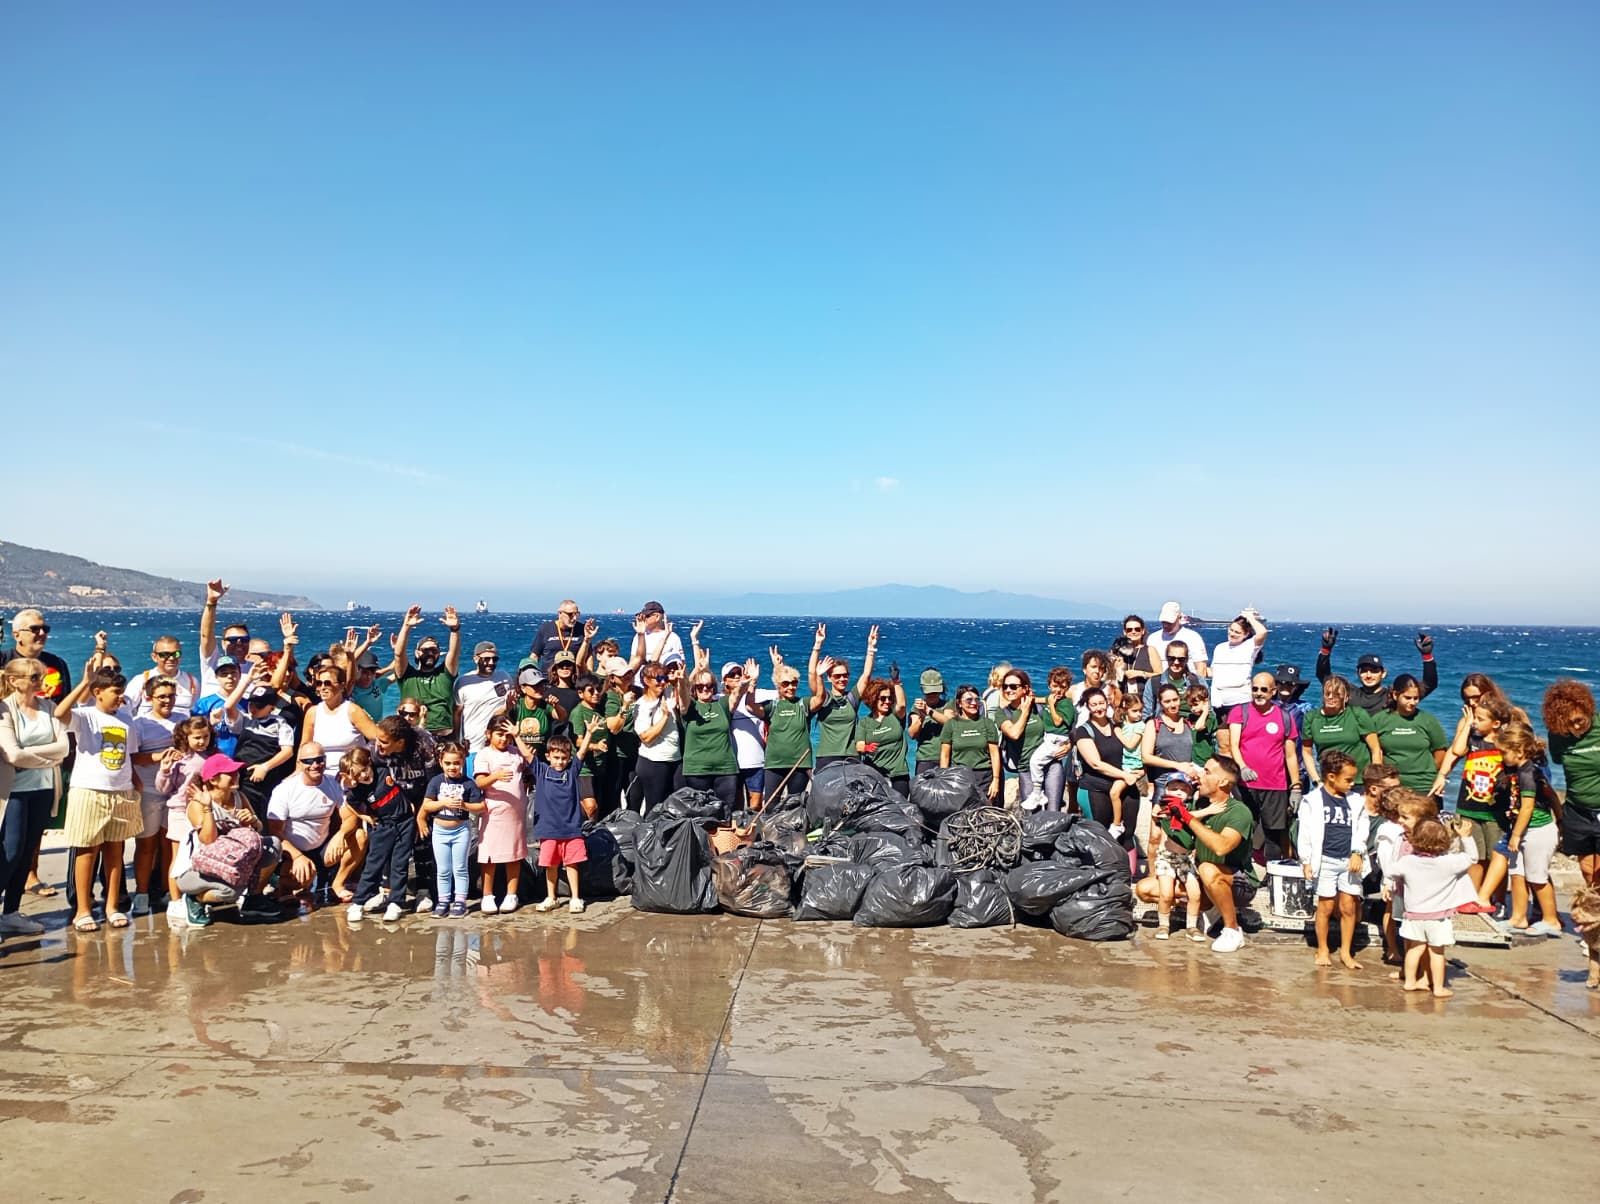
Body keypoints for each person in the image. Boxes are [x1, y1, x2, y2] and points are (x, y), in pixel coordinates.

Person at [54, 664, 143, 932]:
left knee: (115, 851)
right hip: (89, 790)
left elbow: (129, 756)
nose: (120, 697)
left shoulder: (126, 719)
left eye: (122, 692)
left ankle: (112, 906)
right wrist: (84, 682)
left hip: (121, 791)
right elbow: (59, 713)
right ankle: (83, 909)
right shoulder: (86, 716)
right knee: (87, 850)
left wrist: (134, 783)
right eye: (115, 692)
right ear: (98, 692)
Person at [1472, 722, 1563, 935]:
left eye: (1504, 752)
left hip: (1537, 831)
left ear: (1519, 751)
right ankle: (1518, 918)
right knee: (1517, 874)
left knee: (1537, 877)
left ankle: (1551, 920)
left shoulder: (1529, 773)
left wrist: (1515, 835)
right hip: (1522, 832)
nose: (1501, 757)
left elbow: (1528, 807)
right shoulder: (1518, 770)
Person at [0, 658, 70, 934]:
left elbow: (63, 747)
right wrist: (48, 759)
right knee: (10, 851)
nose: (40, 682)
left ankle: (11, 912)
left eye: (41, 676)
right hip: (14, 791)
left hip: (43, 789)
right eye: (33, 677)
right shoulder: (5, 710)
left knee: (27, 851)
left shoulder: (48, 707)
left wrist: (32, 757)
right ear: (14, 680)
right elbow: (12, 755)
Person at [171, 753, 278, 928]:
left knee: (272, 845)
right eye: (230, 773)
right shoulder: (198, 804)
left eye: (236, 771)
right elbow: (208, 840)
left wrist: (252, 821)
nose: (236, 775)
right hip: (196, 871)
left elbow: (258, 831)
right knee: (230, 892)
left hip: (228, 865)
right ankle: (195, 899)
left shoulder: (239, 797)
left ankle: (254, 899)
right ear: (213, 780)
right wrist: (208, 808)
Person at [345, 716, 432, 923]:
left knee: (403, 861)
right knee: (374, 862)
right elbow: (352, 796)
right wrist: (365, 814)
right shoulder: (374, 759)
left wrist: (419, 812)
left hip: (410, 814)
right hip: (384, 822)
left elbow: (431, 781)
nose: (378, 745)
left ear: (399, 742)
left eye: (383, 741)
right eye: (377, 739)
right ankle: (361, 900)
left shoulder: (423, 744)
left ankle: (401, 900)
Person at [1430, 694, 1513, 888]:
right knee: (1474, 856)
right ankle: (1473, 894)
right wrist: (1467, 724)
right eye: (1475, 717)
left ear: (1496, 723)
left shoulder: (1503, 744)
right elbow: (1458, 750)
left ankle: (1497, 897)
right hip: (1469, 807)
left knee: (1497, 856)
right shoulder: (1474, 738)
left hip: (1494, 810)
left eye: (1480, 719)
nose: (1475, 721)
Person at [1297, 750, 1367, 970]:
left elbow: (1362, 829)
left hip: (1348, 861)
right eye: (1348, 779)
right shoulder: (1312, 800)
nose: (1352, 784)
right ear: (1331, 777)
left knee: (1348, 907)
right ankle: (1323, 948)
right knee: (1326, 906)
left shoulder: (1355, 801)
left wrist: (1357, 852)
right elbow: (1305, 833)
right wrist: (1306, 861)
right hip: (1325, 860)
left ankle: (1346, 951)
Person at [1391, 816, 1475, 998]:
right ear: (1444, 841)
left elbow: (1392, 871)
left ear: (1415, 840)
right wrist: (1466, 837)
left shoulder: (1408, 862)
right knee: (1437, 952)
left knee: (1414, 949)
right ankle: (1438, 988)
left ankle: (1410, 982)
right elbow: (1472, 858)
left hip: (1413, 915)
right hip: (1438, 918)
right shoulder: (1449, 863)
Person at [1181, 755, 1254, 953]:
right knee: (1148, 889)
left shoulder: (1239, 811)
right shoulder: (1199, 805)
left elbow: (1222, 847)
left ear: (1222, 782)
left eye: (1206, 771)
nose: (1199, 775)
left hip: (1238, 882)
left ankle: (1232, 930)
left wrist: (1189, 819)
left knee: (1207, 869)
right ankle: (1213, 907)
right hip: (1202, 878)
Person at [1226, 671, 1300, 862]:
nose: (1259, 693)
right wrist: (1243, 767)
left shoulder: (1284, 717)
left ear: (1273, 691)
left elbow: (1291, 755)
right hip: (1244, 784)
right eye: (1255, 689)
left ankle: (1272, 871)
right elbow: (1233, 745)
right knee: (1242, 828)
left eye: (1264, 689)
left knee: (1273, 834)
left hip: (1275, 785)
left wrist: (1296, 786)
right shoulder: (1239, 712)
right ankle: (1240, 869)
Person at [532, 720, 603, 914]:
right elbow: (527, 756)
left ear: (569, 758)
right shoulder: (541, 770)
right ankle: (551, 897)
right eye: (556, 757)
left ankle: (575, 898)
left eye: (564, 758)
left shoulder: (572, 771)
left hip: (571, 830)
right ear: (548, 756)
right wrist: (515, 735)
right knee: (550, 865)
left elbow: (582, 753)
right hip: (548, 830)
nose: (560, 761)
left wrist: (589, 733)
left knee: (572, 864)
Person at [266, 741, 344, 913]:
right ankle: (284, 886)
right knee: (299, 876)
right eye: (308, 761)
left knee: (359, 836)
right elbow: (275, 832)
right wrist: (297, 856)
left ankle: (339, 883)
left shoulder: (334, 783)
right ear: (299, 763)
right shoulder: (284, 790)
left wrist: (341, 834)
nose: (315, 765)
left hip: (323, 846)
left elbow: (349, 817)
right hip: (293, 851)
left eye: (319, 760)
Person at [1543, 679, 1600, 890]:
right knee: (1587, 869)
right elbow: (1557, 759)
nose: (1576, 727)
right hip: (1578, 809)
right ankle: (1594, 906)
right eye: (1569, 724)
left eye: (1579, 720)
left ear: (1587, 709)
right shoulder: (1558, 735)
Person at [419, 742, 486, 918]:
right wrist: (443, 803)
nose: (452, 767)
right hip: (440, 831)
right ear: (441, 763)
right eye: (448, 763)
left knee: (460, 868)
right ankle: (443, 901)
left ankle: (460, 901)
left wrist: (464, 805)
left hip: (461, 830)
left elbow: (481, 806)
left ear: (463, 762)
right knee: (443, 869)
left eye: (456, 763)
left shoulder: (468, 783)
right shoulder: (436, 781)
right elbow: (427, 805)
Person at [1138, 773, 1205, 941]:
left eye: (1183, 789)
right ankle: (1163, 925)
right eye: (1174, 789)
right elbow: (1165, 815)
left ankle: (1192, 926)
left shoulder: (1192, 808)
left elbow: (1191, 812)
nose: (1179, 792)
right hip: (1166, 858)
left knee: (1195, 894)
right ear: (1166, 791)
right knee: (1166, 894)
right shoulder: (1164, 807)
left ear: (1190, 793)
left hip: (1185, 859)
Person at [473, 717, 531, 913]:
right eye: (499, 735)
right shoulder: (484, 754)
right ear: (488, 734)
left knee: (514, 854)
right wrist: (496, 776)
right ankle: (487, 894)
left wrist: (517, 736)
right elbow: (480, 782)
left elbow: (529, 759)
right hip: (494, 813)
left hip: (516, 814)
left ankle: (511, 894)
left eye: (507, 736)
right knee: (489, 855)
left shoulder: (515, 752)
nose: (504, 739)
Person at [677, 646, 743, 814]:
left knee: (726, 812)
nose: (705, 689)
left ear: (714, 688)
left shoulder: (722, 704)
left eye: (709, 686)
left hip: (725, 769)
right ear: (694, 689)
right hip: (697, 770)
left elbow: (738, 694)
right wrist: (682, 681)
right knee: (700, 814)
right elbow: (683, 698)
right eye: (700, 687)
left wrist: (749, 680)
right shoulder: (691, 707)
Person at [1315, 628, 1439, 714]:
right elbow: (1324, 676)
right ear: (1358, 673)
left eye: (1374, 671)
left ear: (1383, 673)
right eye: (1364, 671)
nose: (1368, 675)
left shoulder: (1392, 696)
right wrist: (1326, 649)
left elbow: (1429, 684)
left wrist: (1427, 656)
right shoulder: (1350, 693)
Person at [1073, 688, 1141, 842]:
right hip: (1096, 789)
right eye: (1094, 705)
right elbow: (1095, 764)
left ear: (1107, 702)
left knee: (1128, 835)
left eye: (1101, 703)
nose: (1099, 708)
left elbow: (1135, 749)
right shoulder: (1083, 731)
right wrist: (1125, 775)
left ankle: (1128, 859)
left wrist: (1139, 769)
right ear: (1088, 707)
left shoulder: (1118, 725)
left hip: (1125, 786)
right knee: (1100, 837)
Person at [749, 654, 815, 806]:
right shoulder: (772, 706)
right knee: (771, 805)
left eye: (794, 683)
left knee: (795, 806)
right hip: (774, 764)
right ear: (778, 685)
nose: (791, 687)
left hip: (800, 764)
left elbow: (820, 697)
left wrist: (815, 670)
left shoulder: (803, 704)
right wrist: (753, 682)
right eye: (786, 684)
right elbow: (750, 706)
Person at [809, 623, 877, 770]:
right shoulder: (823, 698)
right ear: (829, 678)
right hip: (826, 757)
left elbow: (866, 676)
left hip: (851, 757)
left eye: (845, 675)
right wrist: (817, 645)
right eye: (837, 676)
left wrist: (871, 648)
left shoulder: (852, 698)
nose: (842, 679)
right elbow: (812, 675)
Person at [391, 605, 463, 737]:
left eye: (434, 650)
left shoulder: (444, 674)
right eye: (425, 650)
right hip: (412, 734)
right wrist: (406, 626)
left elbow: (454, 653)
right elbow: (399, 654)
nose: (430, 653)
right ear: (417, 653)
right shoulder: (407, 676)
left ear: (439, 654)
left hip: (443, 736)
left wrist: (455, 630)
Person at [1372, 675, 1448, 793]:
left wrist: (1430, 774)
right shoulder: (1380, 719)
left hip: (1424, 785)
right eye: (1407, 698)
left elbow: (1440, 752)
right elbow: (1375, 751)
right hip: (1392, 786)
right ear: (1395, 695)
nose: (1412, 702)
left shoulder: (1428, 720)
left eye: (1415, 698)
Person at [1301, 675, 1382, 784]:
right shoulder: (1311, 717)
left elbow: (1376, 749)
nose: (1331, 697)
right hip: (1330, 782)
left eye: (1336, 694)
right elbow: (1307, 752)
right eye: (1327, 693)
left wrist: (1374, 779)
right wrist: (1316, 779)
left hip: (1358, 782)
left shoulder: (1357, 714)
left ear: (1346, 697)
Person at [302, 664, 380, 774]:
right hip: (321, 774)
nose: (322, 687)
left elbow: (378, 738)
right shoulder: (312, 713)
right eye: (319, 683)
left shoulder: (353, 711)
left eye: (327, 683)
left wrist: (362, 757)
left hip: (351, 774)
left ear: (342, 686)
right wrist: (299, 772)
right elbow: (304, 747)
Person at [631, 660, 683, 812]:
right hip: (653, 762)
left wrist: (679, 680)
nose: (663, 682)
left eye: (664, 678)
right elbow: (646, 738)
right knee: (655, 808)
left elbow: (683, 693)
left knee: (677, 806)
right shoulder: (641, 705)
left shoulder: (668, 693)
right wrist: (665, 716)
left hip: (675, 760)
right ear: (646, 681)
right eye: (658, 679)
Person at [1023, 668, 1077, 813]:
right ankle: (1041, 792)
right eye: (1055, 686)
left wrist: (1052, 706)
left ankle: (1037, 792)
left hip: (1057, 739)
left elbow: (1058, 722)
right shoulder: (1051, 698)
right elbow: (1040, 700)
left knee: (1035, 761)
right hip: (1049, 738)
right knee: (1040, 762)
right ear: (1049, 686)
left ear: (1067, 687)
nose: (1058, 690)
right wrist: (1029, 696)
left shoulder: (1066, 704)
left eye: (1062, 687)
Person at [939, 685, 1002, 801]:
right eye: (969, 700)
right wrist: (944, 780)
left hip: (984, 776)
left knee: (984, 810)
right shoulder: (951, 724)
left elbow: (994, 754)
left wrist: (996, 780)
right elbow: (945, 755)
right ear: (959, 703)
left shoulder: (987, 723)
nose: (973, 703)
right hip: (958, 777)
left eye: (977, 699)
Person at [996, 669, 1048, 804]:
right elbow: (1014, 734)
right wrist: (1025, 711)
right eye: (1005, 686)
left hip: (1048, 766)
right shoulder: (1003, 713)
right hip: (1025, 768)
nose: (1008, 690)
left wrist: (1067, 745)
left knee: (1053, 809)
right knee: (1031, 810)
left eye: (1013, 686)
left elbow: (1059, 728)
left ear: (1025, 688)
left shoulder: (1039, 709)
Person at [855, 675, 910, 796]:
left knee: (901, 805)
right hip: (874, 774)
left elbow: (901, 705)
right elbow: (859, 745)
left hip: (898, 773)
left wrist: (896, 683)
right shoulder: (865, 722)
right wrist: (867, 748)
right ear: (873, 699)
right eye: (883, 698)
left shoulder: (895, 716)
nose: (887, 701)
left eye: (890, 698)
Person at [453, 641, 512, 752]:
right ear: (476, 659)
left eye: (494, 659)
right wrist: (457, 740)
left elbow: (509, 708)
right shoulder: (463, 682)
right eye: (486, 659)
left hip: (500, 744)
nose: (491, 663)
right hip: (473, 745)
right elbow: (457, 713)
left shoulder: (504, 677)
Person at [125, 634, 201, 716]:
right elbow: (124, 709)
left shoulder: (192, 682)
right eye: (165, 654)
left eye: (176, 654)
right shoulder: (140, 681)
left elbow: (198, 712)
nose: (171, 658)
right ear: (154, 657)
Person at [1209, 609, 1268, 711]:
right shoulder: (1220, 648)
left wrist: (1250, 617)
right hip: (1218, 703)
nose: (1232, 634)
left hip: (1241, 702)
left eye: (1237, 632)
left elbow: (1262, 632)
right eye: (1231, 630)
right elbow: (1214, 673)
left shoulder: (1249, 647)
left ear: (1246, 634)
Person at [1140, 683, 1197, 784]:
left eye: (1175, 700)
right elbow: (1146, 757)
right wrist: (1177, 765)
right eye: (1167, 701)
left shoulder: (1188, 722)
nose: (1173, 705)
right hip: (1164, 783)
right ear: (1160, 703)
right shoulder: (1153, 724)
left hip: (1189, 782)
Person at [1108, 693, 1149, 833]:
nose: (1139, 714)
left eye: (1140, 711)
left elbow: (1130, 745)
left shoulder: (1140, 726)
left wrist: (1117, 732)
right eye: (1135, 711)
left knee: (1114, 792)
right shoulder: (1123, 724)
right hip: (1121, 764)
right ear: (1125, 708)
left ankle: (1117, 824)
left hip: (1131, 766)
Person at [908, 668, 953, 778]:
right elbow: (912, 734)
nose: (932, 695)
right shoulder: (916, 708)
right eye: (929, 692)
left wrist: (929, 710)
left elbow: (950, 723)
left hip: (947, 756)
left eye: (935, 692)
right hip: (925, 757)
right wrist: (922, 717)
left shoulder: (948, 704)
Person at [1146, 601, 1209, 678]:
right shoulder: (1153, 639)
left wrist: (1197, 684)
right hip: (1160, 683)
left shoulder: (1193, 637)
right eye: (1164, 622)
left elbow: (1201, 668)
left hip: (1187, 682)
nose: (1166, 625)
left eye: (1169, 623)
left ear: (1179, 618)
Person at [1142, 646, 1203, 719]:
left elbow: (1208, 710)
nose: (1176, 662)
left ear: (1187, 659)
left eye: (1181, 659)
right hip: (1163, 723)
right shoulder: (1154, 682)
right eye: (1172, 658)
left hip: (1194, 723)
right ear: (1166, 658)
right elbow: (1147, 713)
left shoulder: (1198, 681)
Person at [530, 600, 591, 673]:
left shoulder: (582, 630)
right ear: (560, 613)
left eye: (577, 614)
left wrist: (590, 676)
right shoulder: (546, 628)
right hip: (548, 677)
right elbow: (535, 656)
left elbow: (589, 656)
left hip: (574, 677)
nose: (574, 618)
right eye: (570, 614)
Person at [628, 601, 684, 680]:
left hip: (661, 682)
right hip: (639, 683)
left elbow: (680, 665)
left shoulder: (673, 638)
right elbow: (633, 662)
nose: (642, 619)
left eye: (646, 616)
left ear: (657, 617)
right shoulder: (638, 637)